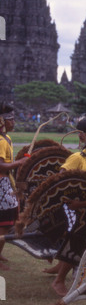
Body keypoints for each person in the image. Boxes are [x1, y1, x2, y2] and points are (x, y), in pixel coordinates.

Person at [45, 117, 86, 296]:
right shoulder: (77, 157)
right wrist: (74, 199)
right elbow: (60, 180)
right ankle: (59, 280)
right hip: (74, 210)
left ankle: (76, 276)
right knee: (78, 240)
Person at [0, 102, 29, 271]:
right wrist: (20, 162)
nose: (13, 123)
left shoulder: (7, 139)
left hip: (6, 183)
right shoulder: (1, 141)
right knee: (4, 222)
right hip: (1, 183)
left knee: (8, 220)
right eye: (10, 119)